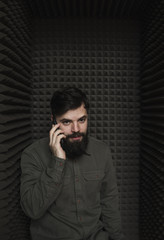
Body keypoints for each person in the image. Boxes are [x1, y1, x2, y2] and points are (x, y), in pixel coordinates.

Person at [20, 87, 124, 240]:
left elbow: (109, 202)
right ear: (53, 121)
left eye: (81, 120)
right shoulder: (32, 154)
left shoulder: (102, 151)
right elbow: (32, 209)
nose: (76, 129)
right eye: (67, 122)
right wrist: (57, 162)